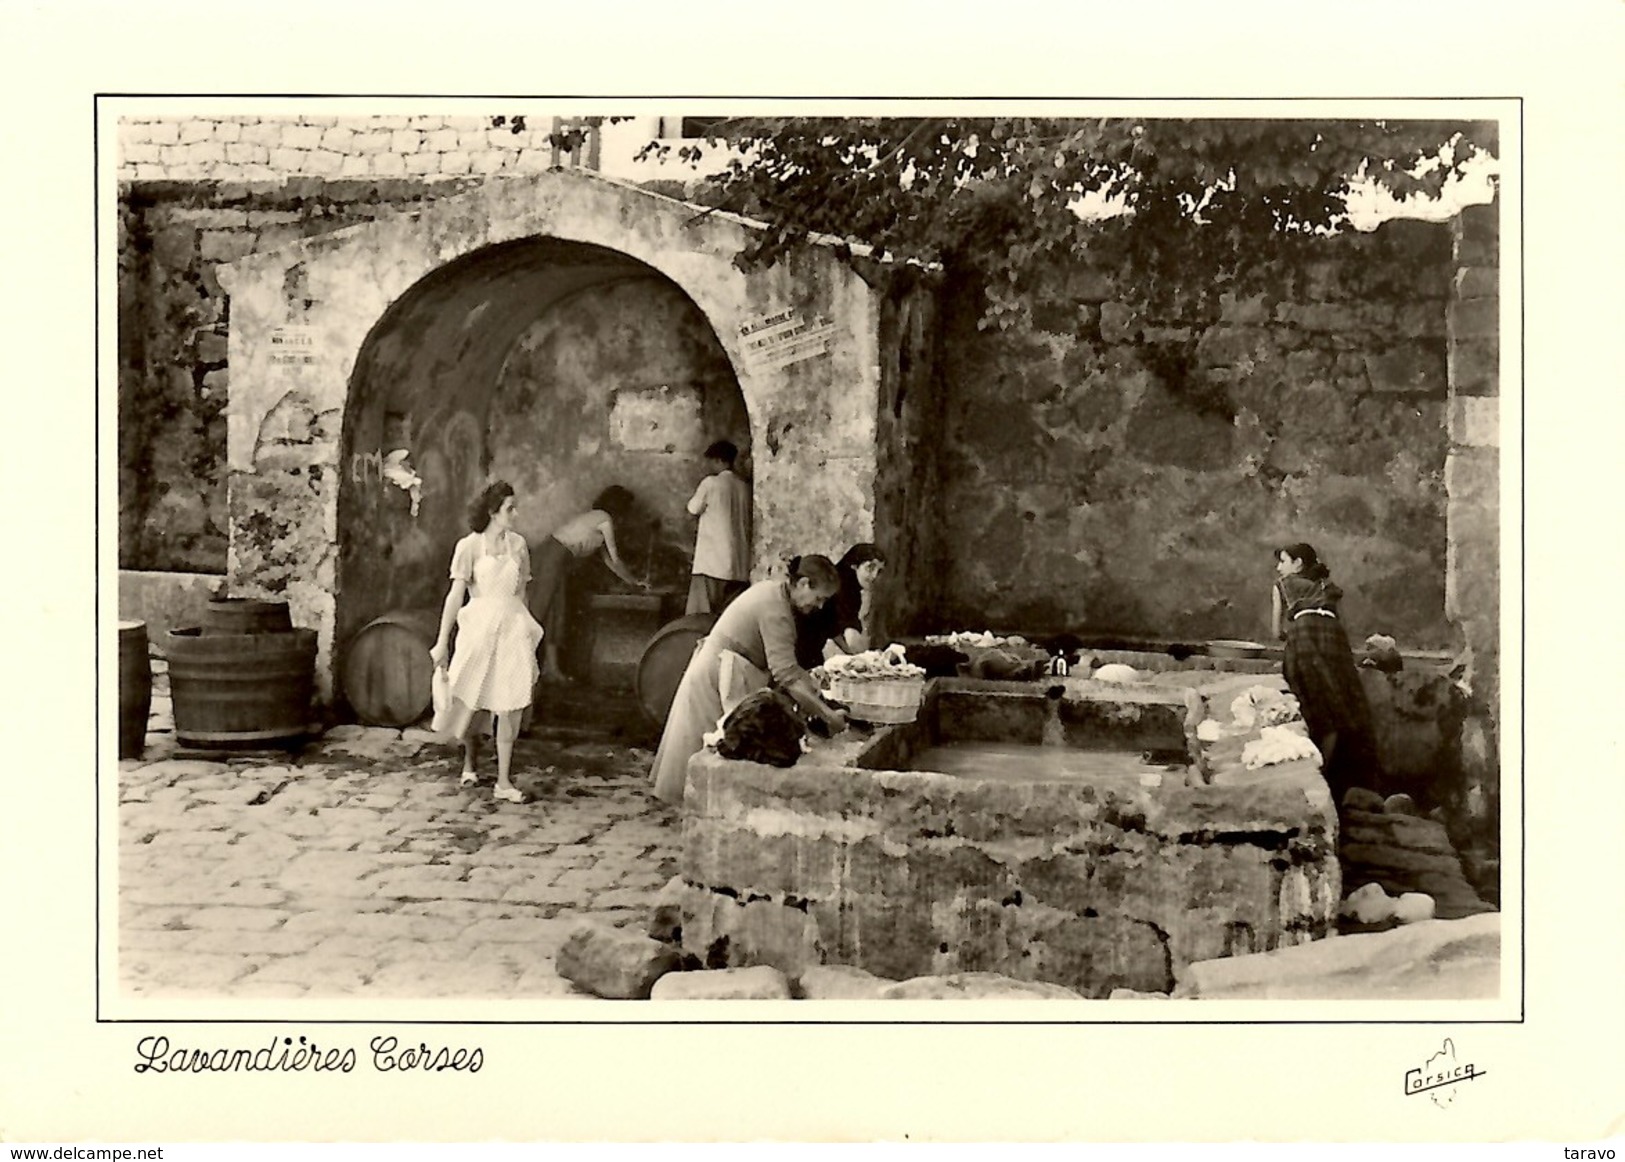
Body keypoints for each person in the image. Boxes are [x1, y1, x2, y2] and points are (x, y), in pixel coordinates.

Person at [651, 555, 850, 806]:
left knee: (712, 749)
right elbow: (786, 675)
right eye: (819, 598)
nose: (819, 606)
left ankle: (699, 806)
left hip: (730, 668)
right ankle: (693, 810)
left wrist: (816, 692)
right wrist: (828, 716)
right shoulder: (775, 609)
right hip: (718, 674)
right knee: (705, 747)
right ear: (803, 584)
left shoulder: (775, 594)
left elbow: (790, 669)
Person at [429, 481, 543, 804]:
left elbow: (522, 591)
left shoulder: (519, 545)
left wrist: (527, 629)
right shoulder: (469, 547)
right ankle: (470, 762)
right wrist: (442, 642)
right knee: (472, 697)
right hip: (478, 628)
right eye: (510, 508)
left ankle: (504, 781)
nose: (515, 514)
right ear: (493, 512)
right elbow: (455, 597)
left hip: (512, 628)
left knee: (509, 702)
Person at [1271, 542, 1383, 806]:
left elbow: (1276, 633)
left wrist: (1296, 634)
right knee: (1340, 709)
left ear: (1297, 564)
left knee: (1312, 709)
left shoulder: (1282, 586)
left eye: (1283, 561)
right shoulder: (1329, 588)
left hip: (1305, 639)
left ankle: (1316, 777)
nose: (1279, 567)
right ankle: (1333, 777)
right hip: (1334, 641)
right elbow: (1340, 624)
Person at [531, 485, 650, 683]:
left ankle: (549, 668)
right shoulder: (604, 519)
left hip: (553, 554)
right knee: (541, 609)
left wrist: (633, 582)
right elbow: (616, 559)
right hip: (554, 556)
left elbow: (610, 562)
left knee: (554, 611)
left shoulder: (595, 518)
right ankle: (531, 666)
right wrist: (635, 582)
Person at [685, 440, 752, 616]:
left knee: (699, 619)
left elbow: (692, 509)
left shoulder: (711, 483)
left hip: (711, 563)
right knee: (729, 618)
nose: (709, 465)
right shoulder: (744, 487)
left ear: (720, 461)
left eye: (712, 461)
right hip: (739, 566)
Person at [794, 543, 886, 671]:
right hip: (800, 652)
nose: (875, 576)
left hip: (808, 652)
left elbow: (833, 628)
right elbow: (851, 639)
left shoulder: (841, 583)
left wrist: (858, 657)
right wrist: (869, 660)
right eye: (870, 568)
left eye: (879, 571)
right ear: (854, 565)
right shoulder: (845, 589)